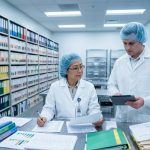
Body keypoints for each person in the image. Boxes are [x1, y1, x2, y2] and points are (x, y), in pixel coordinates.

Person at [37, 53, 103, 127]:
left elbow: (93, 108)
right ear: (66, 70)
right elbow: (49, 109)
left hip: (83, 126)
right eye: (75, 68)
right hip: (62, 126)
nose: (80, 70)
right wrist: (44, 117)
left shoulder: (89, 87)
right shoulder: (55, 87)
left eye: (81, 67)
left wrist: (96, 118)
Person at [108, 22, 150, 122]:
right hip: (122, 118)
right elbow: (111, 84)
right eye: (124, 43)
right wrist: (115, 93)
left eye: (131, 43)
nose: (127, 48)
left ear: (141, 41)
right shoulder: (119, 62)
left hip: (145, 120)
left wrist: (145, 101)